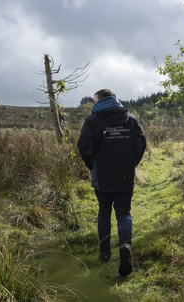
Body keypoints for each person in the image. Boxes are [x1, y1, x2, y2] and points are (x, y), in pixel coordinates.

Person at [77, 89, 146, 276]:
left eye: (94, 100)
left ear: (99, 99)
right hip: (125, 174)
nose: (93, 103)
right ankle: (124, 245)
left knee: (104, 212)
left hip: (103, 176)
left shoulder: (92, 120)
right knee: (124, 212)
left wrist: (94, 166)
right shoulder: (131, 119)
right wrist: (130, 164)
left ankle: (105, 252)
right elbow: (141, 143)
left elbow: (83, 146)